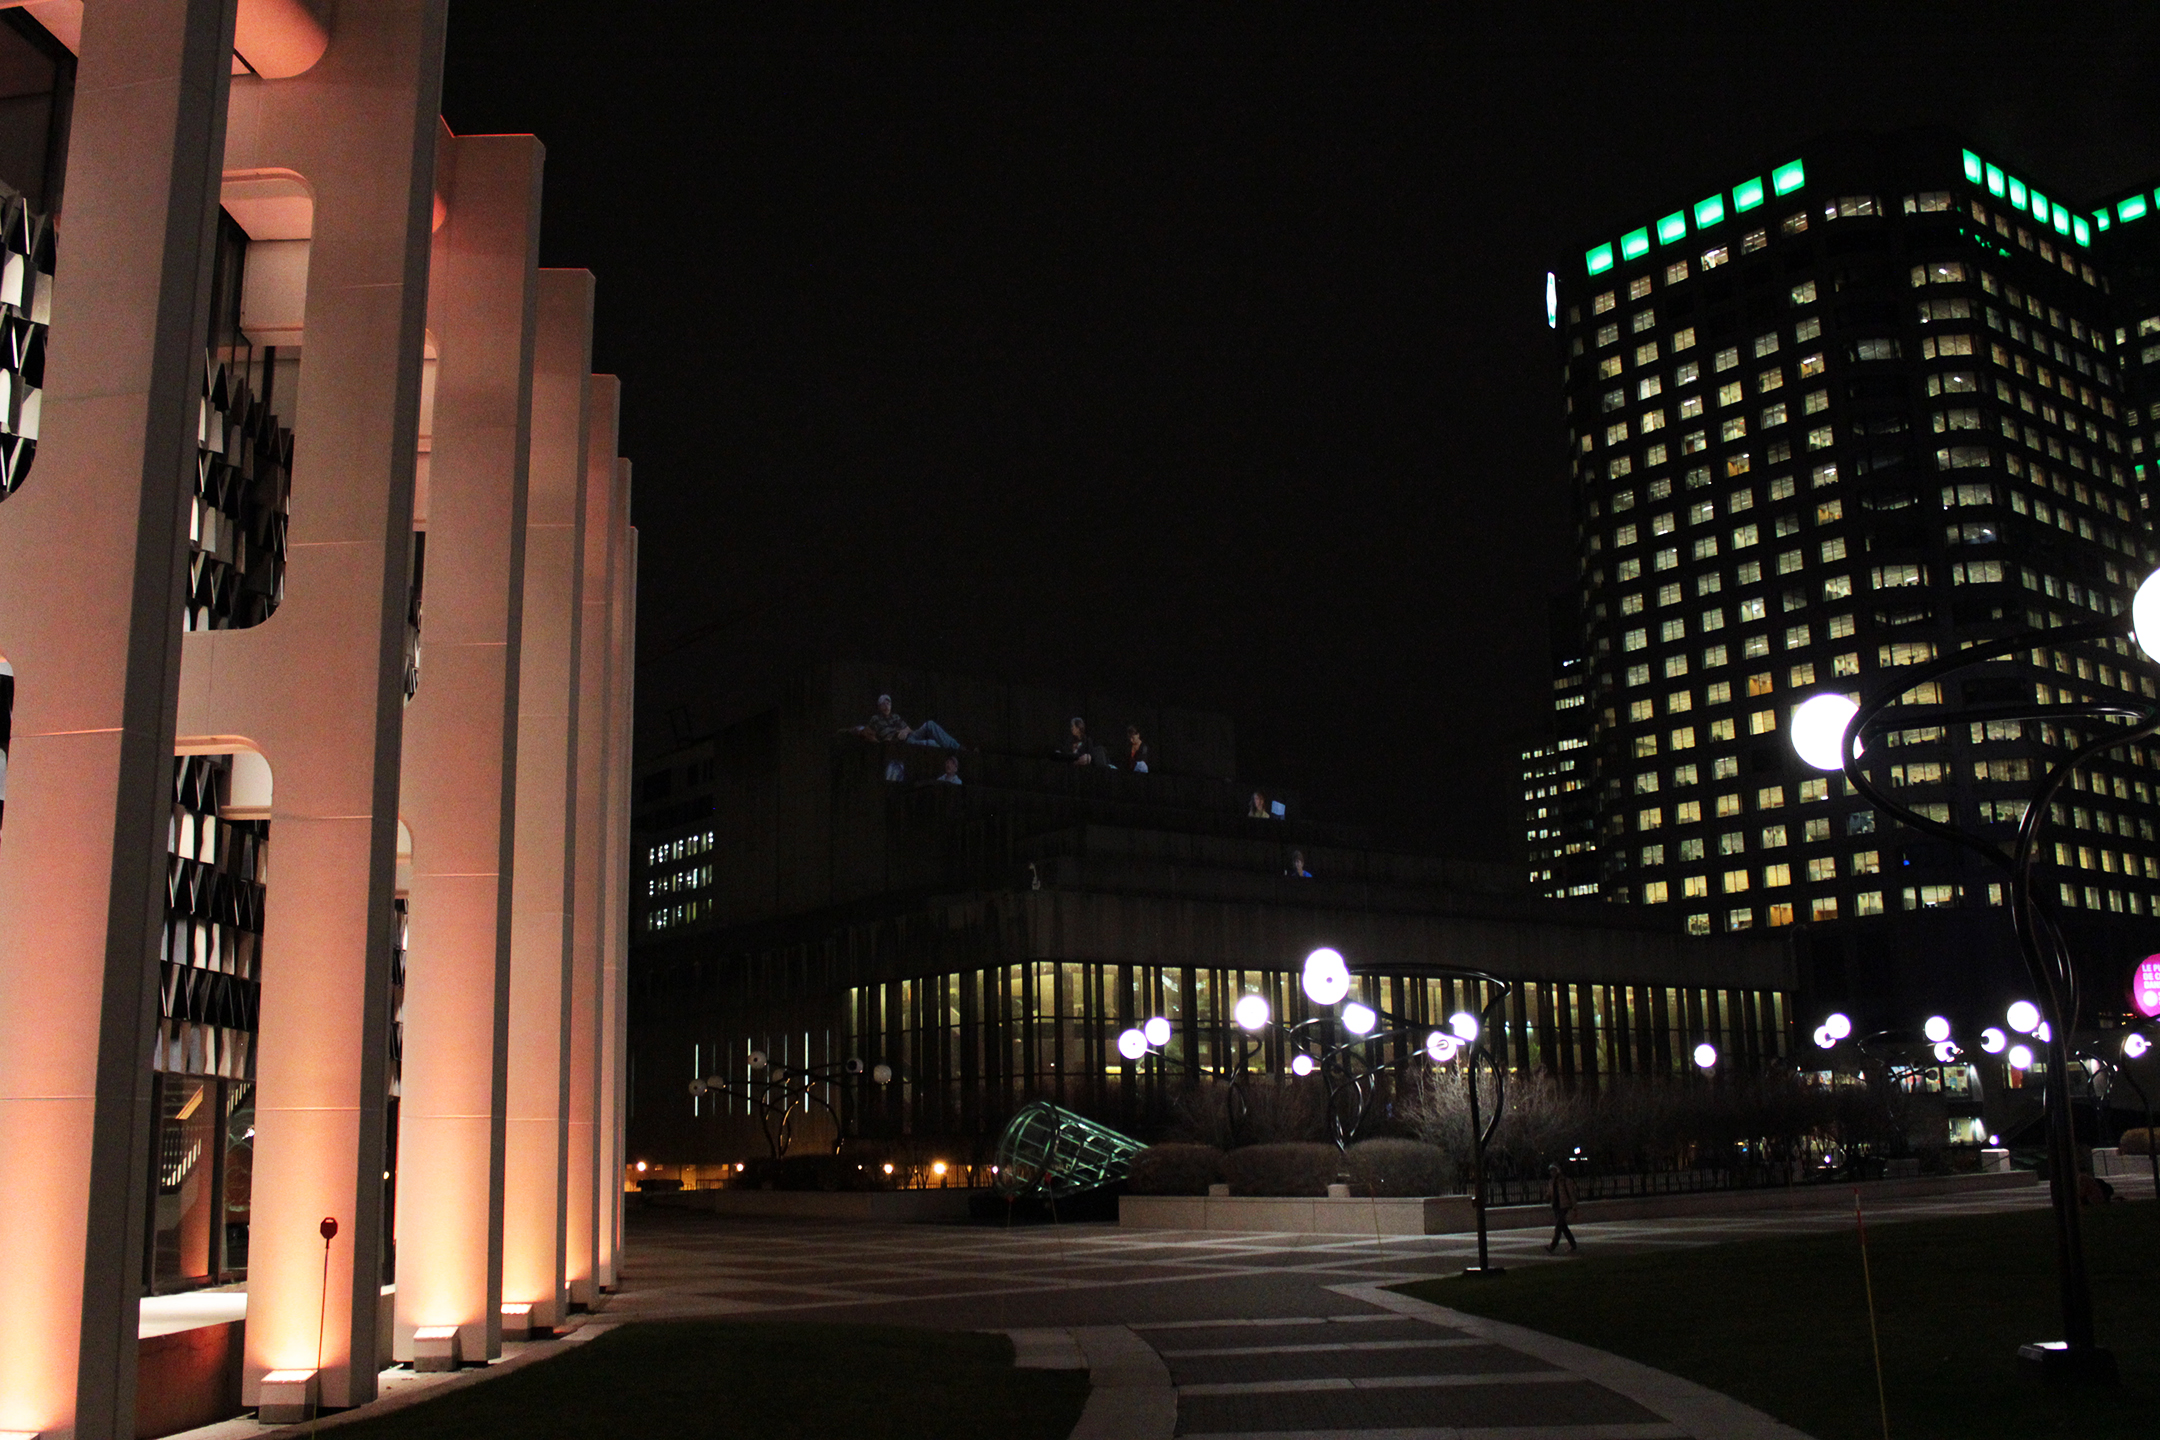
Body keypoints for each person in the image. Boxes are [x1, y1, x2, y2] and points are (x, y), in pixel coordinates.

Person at [1544, 1163, 1578, 1253]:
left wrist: (1574, 1207)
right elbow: (1550, 1193)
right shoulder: (1551, 1182)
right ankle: (1573, 1244)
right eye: (1551, 1171)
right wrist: (1547, 1197)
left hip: (1564, 1206)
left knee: (1558, 1227)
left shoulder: (1565, 1181)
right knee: (1563, 1227)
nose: (1552, 1173)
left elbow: (1572, 1194)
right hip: (1556, 1206)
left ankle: (1552, 1246)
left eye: (1553, 1170)